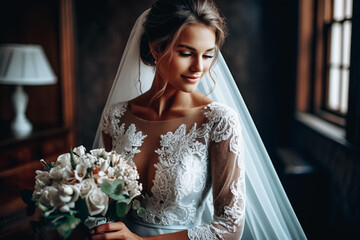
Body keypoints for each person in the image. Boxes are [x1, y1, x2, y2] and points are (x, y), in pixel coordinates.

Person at [93, 0, 307, 239]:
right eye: (186, 53)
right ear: (156, 49)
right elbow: (105, 202)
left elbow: (230, 228)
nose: (199, 67)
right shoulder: (116, 116)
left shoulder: (218, 121)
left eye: (208, 55)